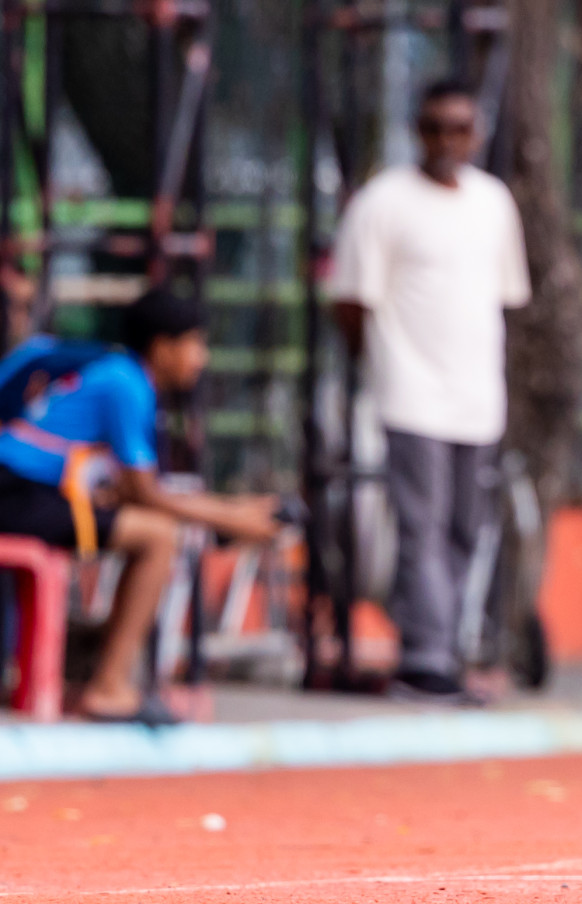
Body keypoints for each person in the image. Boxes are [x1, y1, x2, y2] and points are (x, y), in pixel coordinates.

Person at [330, 78, 532, 703]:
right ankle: (425, 662)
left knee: (464, 531)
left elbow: (507, 300)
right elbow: (351, 302)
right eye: (436, 127)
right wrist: (383, 371)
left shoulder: (494, 202)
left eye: (460, 128)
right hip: (410, 395)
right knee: (420, 527)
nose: (449, 140)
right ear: (418, 132)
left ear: (477, 133)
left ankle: (444, 649)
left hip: (477, 400)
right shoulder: (383, 202)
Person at [0, 288, 281, 724]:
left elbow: (131, 488)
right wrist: (233, 516)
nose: (201, 358)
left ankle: (88, 664)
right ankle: (108, 686)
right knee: (157, 537)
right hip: (15, 493)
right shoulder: (127, 382)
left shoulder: (113, 372)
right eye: (195, 343)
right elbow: (145, 494)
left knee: (147, 527)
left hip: (24, 491)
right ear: (163, 346)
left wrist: (232, 510)